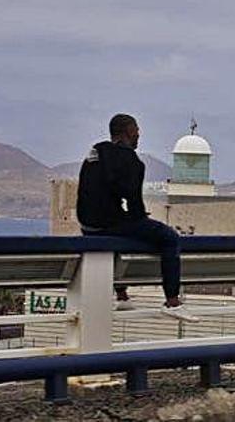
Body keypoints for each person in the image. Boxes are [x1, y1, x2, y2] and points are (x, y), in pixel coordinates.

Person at [77, 113, 199, 322]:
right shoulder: (131, 161)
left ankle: (122, 296)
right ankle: (172, 301)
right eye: (136, 132)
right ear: (127, 132)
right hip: (109, 223)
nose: (139, 136)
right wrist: (141, 219)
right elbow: (133, 200)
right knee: (169, 238)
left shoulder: (95, 153)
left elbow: (97, 190)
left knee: (118, 242)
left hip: (87, 224)